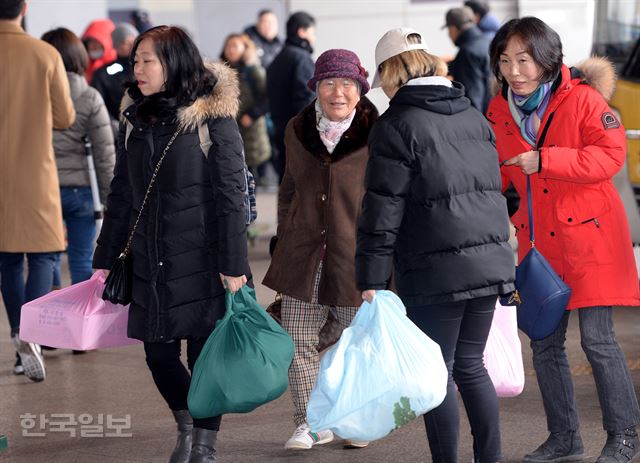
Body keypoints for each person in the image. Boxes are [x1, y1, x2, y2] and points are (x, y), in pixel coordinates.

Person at [356, 27, 515, 463]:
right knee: (471, 365)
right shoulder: (472, 115)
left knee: (437, 372)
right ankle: (491, 458)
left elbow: (382, 211)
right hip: (489, 263)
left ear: (391, 72)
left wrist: (370, 278)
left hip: (434, 269)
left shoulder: (396, 126)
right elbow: (497, 190)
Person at [92, 25, 250, 463]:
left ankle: (203, 444)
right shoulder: (134, 118)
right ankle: (185, 424)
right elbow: (121, 193)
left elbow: (231, 197)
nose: (138, 69)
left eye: (148, 60)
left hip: (206, 259)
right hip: (150, 257)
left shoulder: (211, 119)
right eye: (136, 59)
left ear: (174, 62)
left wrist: (234, 264)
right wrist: (105, 257)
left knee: (205, 361)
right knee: (158, 355)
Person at [487, 17, 640, 463]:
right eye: (505, 61)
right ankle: (564, 437)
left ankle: (624, 437)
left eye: (525, 60)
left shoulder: (586, 100)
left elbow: (610, 156)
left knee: (598, 341)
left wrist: (546, 159)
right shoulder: (498, 110)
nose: (514, 71)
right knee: (545, 342)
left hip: (591, 238)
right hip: (538, 243)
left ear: (548, 60)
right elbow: (495, 170)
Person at [263, 49, 378, 451]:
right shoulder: (297, 128)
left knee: (356, 343)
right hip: (303, 253)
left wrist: (382, 255)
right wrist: (283, 237)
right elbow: (289, 188)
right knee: (297, 340)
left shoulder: (375, 131)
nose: (338, 93)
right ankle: (308, 422)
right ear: (316, 87)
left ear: (361, 89)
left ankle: (354, 418)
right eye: (328, 83)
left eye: (347, 84)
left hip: (356, 256)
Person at [0, 0, 76, 382]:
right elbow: (64, 117)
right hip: (35, 170)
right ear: (24, 7)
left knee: (7, 258)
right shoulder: (44, 54)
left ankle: (18, 336)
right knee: (44, 255)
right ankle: (30, 335)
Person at [41, 28, 115, 286]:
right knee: (82, 259)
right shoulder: (90, 96)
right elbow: (104, 152)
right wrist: (110, 198)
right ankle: (81, 318)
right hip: (83, 190)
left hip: (44, 188)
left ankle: (49, 311)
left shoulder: (36, 96)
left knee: (46, 257)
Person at [266, 11, 316, 183]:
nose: (313, 36)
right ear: (302, 32)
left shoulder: (278, 58)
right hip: (299, 133)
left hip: (281, 130)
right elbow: (306, 97)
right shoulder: (301, 58)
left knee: (287, 184)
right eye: (312, 31)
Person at [220, 33, 271, 179]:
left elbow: (267, 98)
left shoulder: (253, 70)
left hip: (251, 128)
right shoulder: (219, 71)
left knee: (249, 176)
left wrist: (252, 115)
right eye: (228, 46)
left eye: (235, 46)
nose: (230, 50)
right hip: (228, 128)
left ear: (245, 49)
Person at [91, 22, 139, 133]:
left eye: (133, 41)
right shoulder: (104, 73)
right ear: (116, 47)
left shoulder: (147, 68)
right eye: (124, 42)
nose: (130, 45)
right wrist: (113, 125)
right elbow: (99, 105)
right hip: (118, 131)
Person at [444, 6, 492, 113]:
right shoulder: (488, 42)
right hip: (496, 115)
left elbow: (472, 99)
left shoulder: (467, 53)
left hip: (482, 120)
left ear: (453, 29)